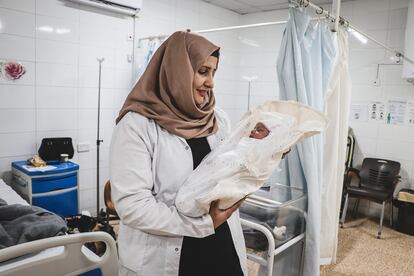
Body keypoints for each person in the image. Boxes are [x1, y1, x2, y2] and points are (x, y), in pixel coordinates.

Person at [109, 31, 246, 276]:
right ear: (177, 71)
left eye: (213, 73)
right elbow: (133, 206)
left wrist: (265, 149)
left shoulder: (217, 118)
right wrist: (202, 223)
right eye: (203, 71)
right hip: (167, 256)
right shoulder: (136, 125)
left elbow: (230, 168)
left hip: (221, 244)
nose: (210, 82)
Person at [175, 113, 293, 218]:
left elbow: (248, 176)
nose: (253, 131)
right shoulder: (243, 144)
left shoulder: (261, 156)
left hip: (215, 205)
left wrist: (277, 150)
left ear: (271, 138)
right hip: (192, 199)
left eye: (259, 130)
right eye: (255, 128)